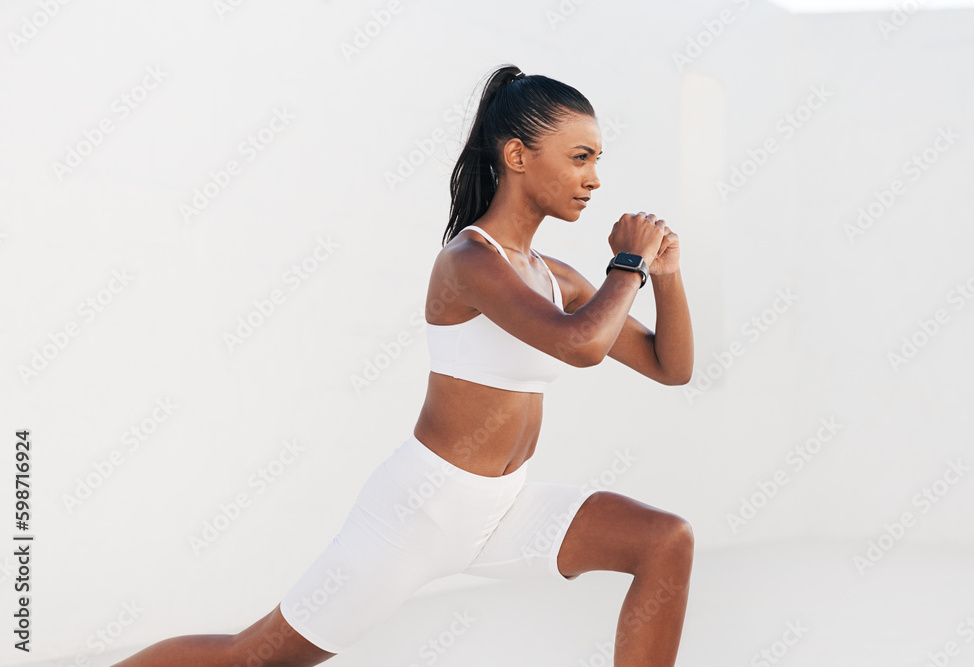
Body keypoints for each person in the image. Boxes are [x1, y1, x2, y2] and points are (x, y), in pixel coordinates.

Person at [112, 63, 695, 667]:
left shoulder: (554, 276)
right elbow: (580, 345)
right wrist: (629, 262)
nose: (595, 179)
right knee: (252, 657)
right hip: (421, 513)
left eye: (597, 160)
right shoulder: (469, 260)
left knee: (664, 541)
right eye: (580, 158)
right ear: (518, 156)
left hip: (501, 508)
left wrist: (668, 277)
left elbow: (669, 366)